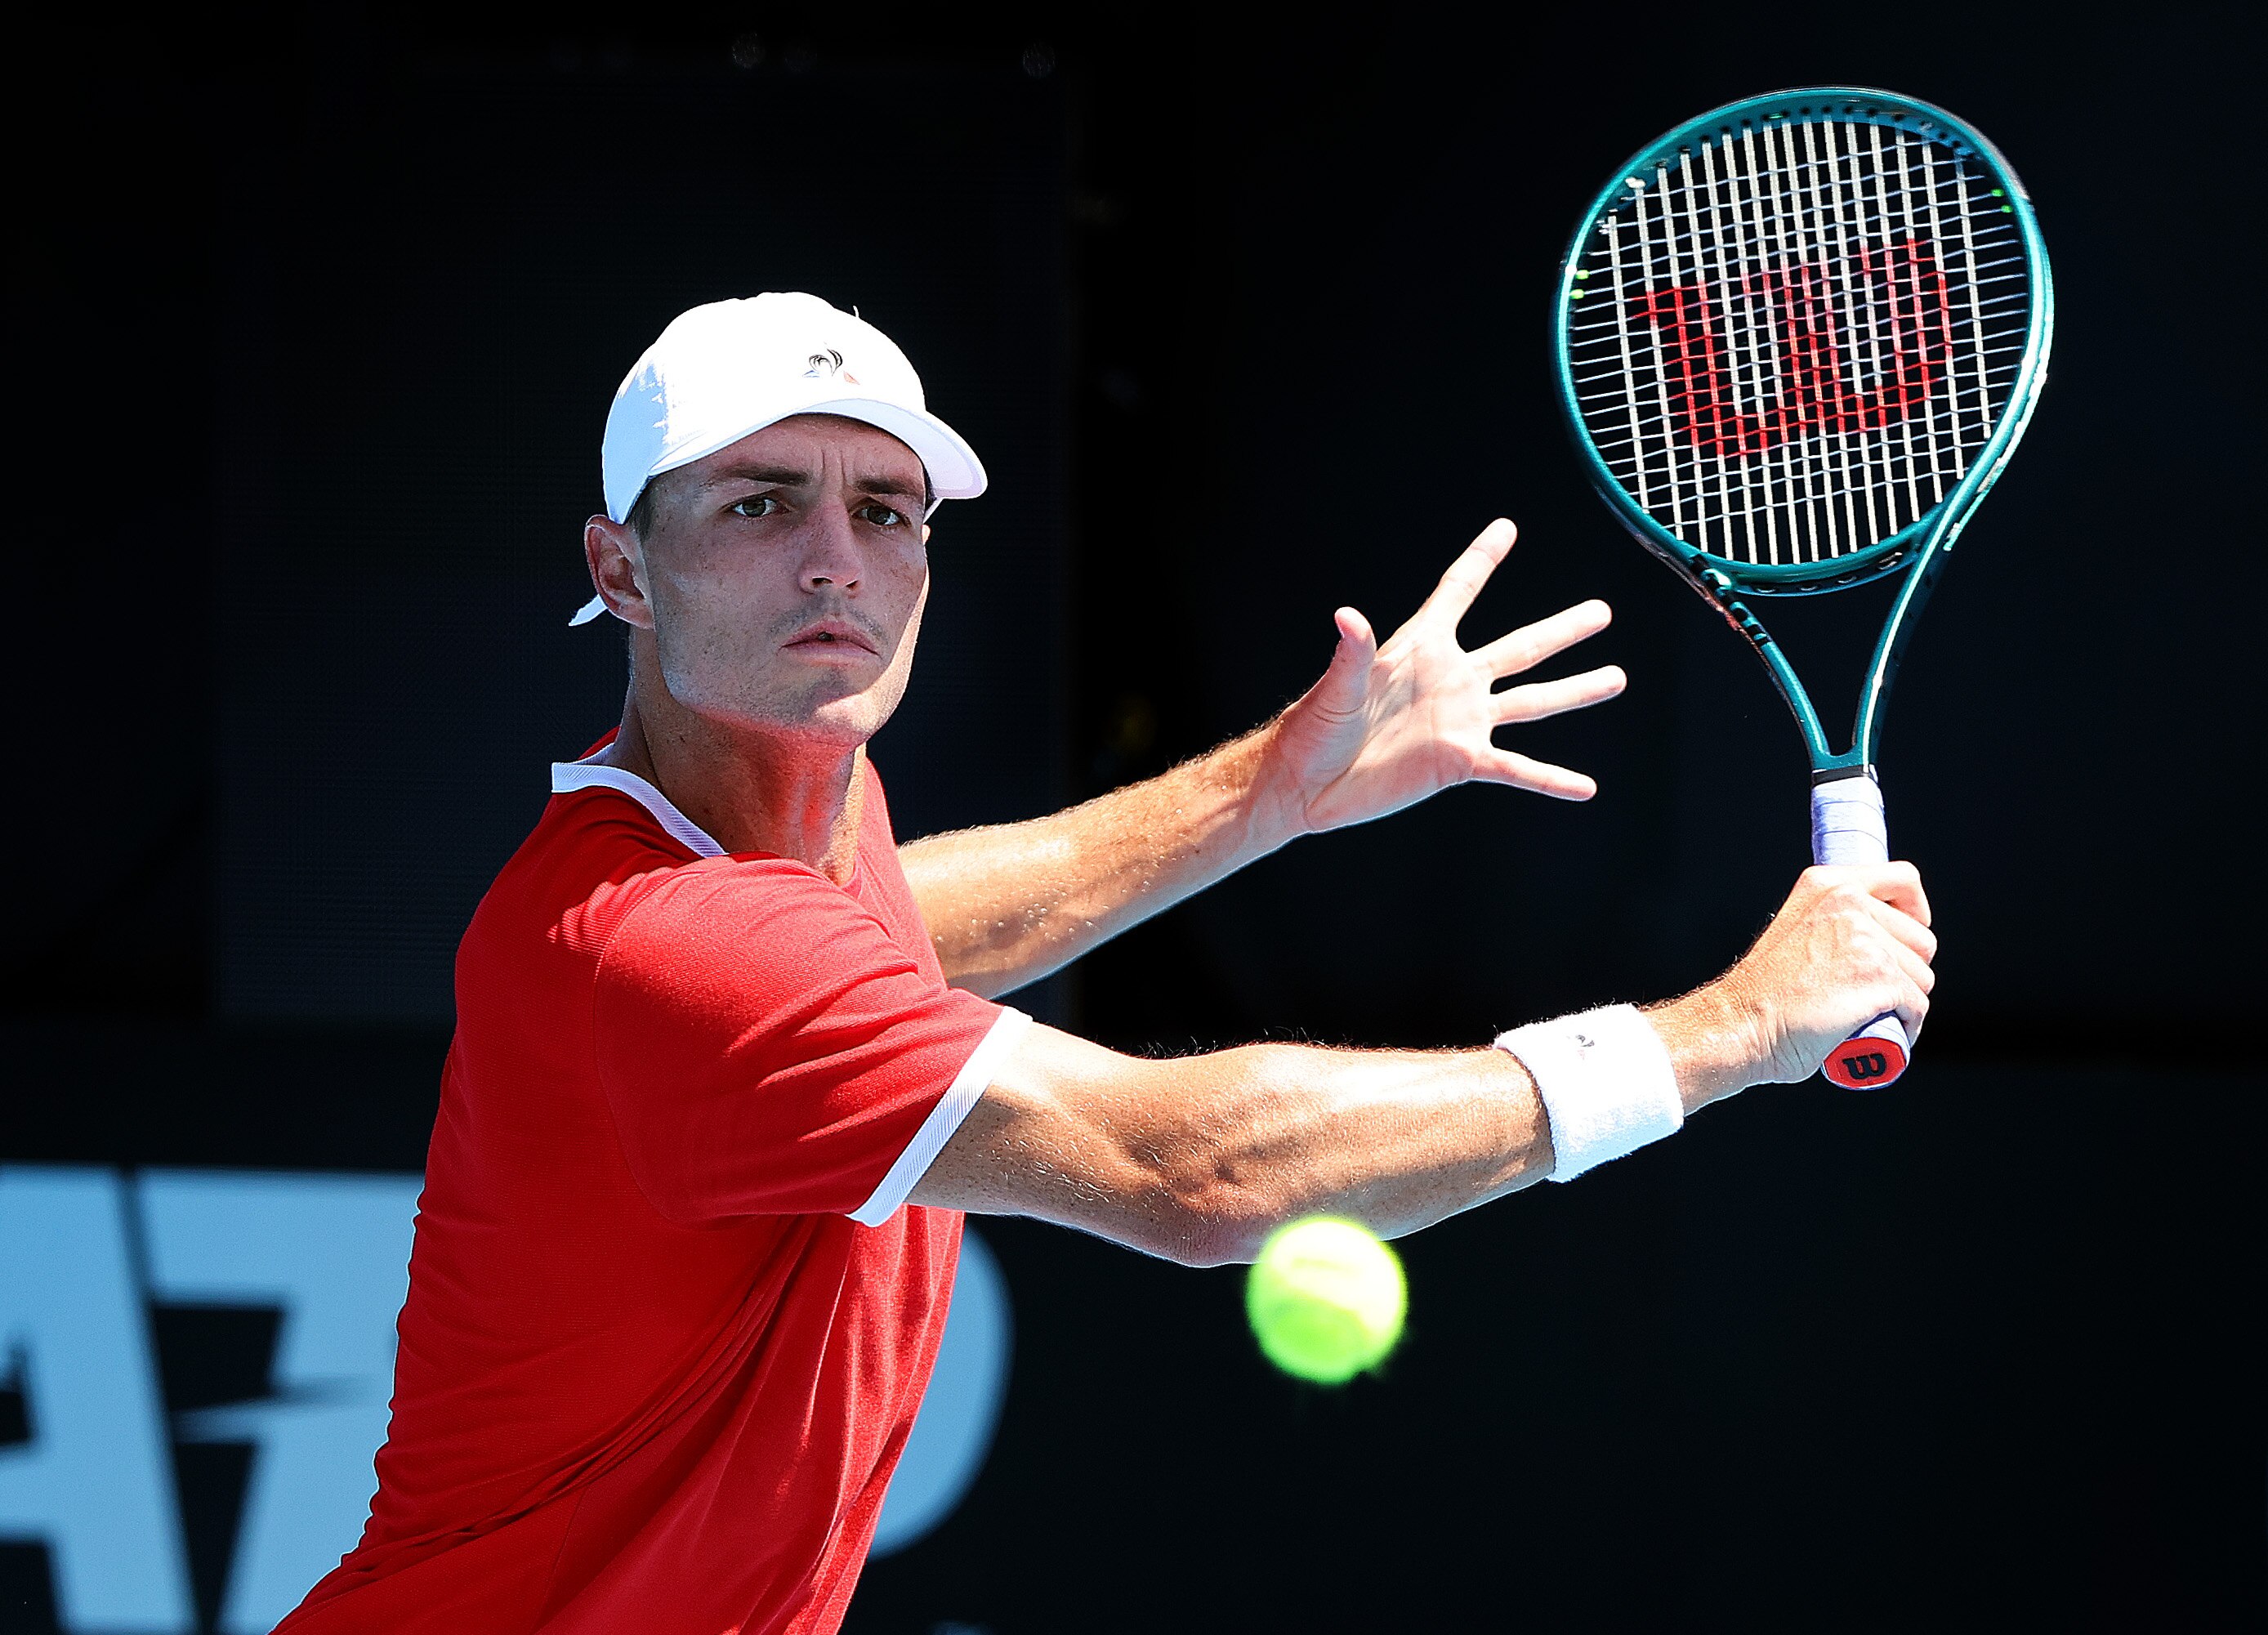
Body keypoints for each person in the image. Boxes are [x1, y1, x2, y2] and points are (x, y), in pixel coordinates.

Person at [275, 293, 1935, 1633]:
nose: (836, 559)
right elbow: (1197, 1168)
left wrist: (1264, 795)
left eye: (883, 507)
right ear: (620, 566)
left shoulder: (775, 817)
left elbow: (896, 912)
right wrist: (1725, 1027)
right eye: (757, 502)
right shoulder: (664, 950)